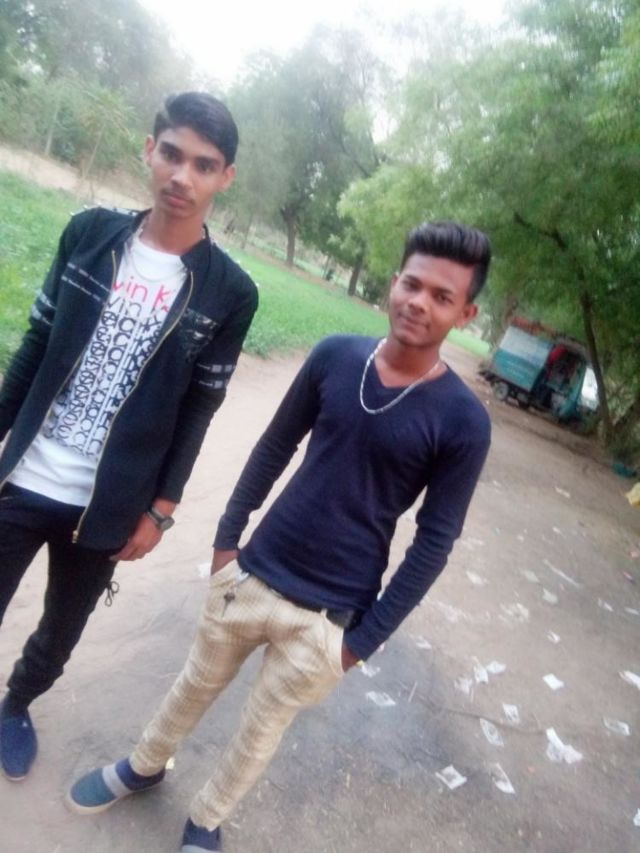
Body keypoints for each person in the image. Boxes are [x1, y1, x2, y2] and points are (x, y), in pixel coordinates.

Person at [68, 221, 492, 852]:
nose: (418, 303)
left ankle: (206, 821)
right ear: (393, 283)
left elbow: (434, 543)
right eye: (412, 284)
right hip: (252, 573)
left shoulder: (463, 421)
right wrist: (226, 544)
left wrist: (360, 643)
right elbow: (273, 447)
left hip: (328, 618)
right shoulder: (335, 356)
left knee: (261, 730)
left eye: (441, 296)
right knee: (193, 684)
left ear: (465, 313)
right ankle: (144, 765)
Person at [0, 92, 258, 782]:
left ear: (225, 177)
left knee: (61, 632)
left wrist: (161, 510)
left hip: (109, 505)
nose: (182, 175)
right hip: (26, 475)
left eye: (203, 164)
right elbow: (34, 346)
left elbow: (199, 410)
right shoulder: (89, 234)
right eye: (171, 153)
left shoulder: (229, 292)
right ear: (150, 150)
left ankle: (16, 704)